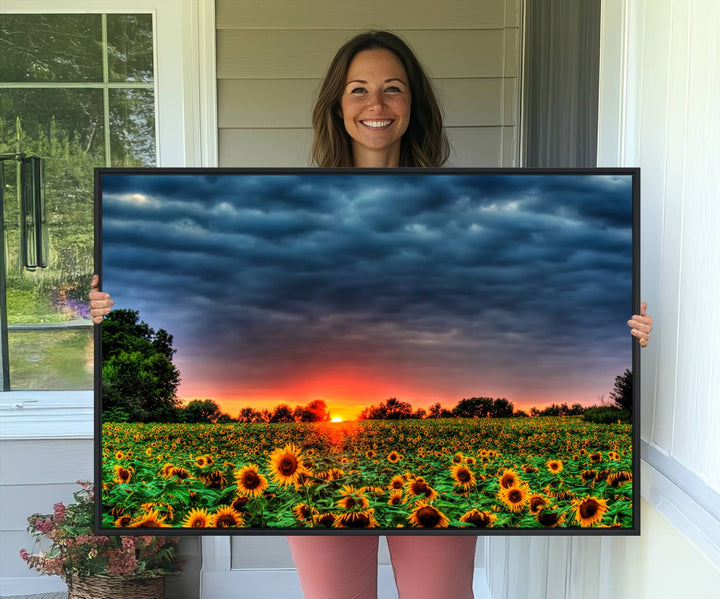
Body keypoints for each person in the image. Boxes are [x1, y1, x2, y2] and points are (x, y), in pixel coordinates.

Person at [89, 30, 653, 599]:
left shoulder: (462, 204)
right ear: (338, 105)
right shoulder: (292, 207)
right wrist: (112, 307)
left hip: (435, 471)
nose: (376, 105)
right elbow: (230, 284)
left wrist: (624, 328)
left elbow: (529, 291)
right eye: (358, 90)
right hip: (312, 464)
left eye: (393, 89)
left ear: (414, 105)